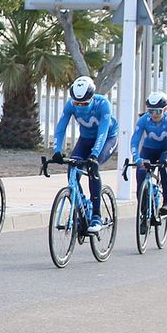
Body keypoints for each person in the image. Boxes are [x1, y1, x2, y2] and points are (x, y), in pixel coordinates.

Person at [51, 75, 120, 234]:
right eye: (77, 103)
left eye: (84, 103)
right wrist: (56, 151)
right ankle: (83, 206)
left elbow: (102, 132)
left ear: (91, 97)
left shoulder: (103, 104)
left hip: (107, 139)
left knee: (92, 169)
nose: (80, 106)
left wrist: (95, 155)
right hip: (85, 139)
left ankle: (96, 215)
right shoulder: (70, 105)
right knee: (72, 172)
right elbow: (61, 127)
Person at [129, 90, 167, 216]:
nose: (154, 115)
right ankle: (144, 212)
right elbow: (134, 141)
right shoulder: (144, 120)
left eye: (157, 111)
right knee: (140, 173)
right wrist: (137, 158)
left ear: (165, 109)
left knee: (164, 168)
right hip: (149, 149)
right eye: (150, 111)